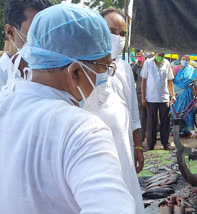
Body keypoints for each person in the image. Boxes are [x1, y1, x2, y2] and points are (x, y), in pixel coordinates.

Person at [0, 4, 135, 213]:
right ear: (75, 73)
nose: (104, 79)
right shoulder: (81, 129)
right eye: (104, 68)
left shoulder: (4, 107)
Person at [100, 8, 144, 174]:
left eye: (122, 34)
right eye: (112, 31)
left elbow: (133, 111)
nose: (118, 38)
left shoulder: (125, 68)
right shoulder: (84, 67)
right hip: (98, 147)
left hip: (124, 145)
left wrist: (137, 145)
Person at [0, 0, 53, 93]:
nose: (43, 40)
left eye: (47, 32)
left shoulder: (56, 74)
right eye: (35, 32)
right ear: (10, 32)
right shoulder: (2, 75)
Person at [141, 53, 175, 150]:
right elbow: (143, 80)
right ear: (154, 54)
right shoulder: (148, 63)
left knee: (165, 121)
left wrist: (172, 94)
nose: (161, 56)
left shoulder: (167, 63)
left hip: (164, 97)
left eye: (162, 54)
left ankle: (165, 143)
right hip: (151, 98)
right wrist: (143, 97)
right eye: (159, 54)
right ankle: (150, 144)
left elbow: (170, 80)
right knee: (151, 122)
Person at [171, 55, 197, 135]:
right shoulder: (175, 68)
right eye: (183, 59)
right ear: (180, 60)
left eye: (187, 60)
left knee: (188, 110)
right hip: (177, 93)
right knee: (177, 111)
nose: (185, 61)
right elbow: (170, 81)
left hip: (188, 92)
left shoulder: (191, 69)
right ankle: (175, 130)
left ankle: (187, 130)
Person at [132, 49, 147, 144]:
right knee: (141, 117)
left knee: (150, 117)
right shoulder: (134, 67)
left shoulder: (149, 65)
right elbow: (133, 80)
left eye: (140, 54)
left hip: (150, 94)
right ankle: (141, 139)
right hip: (139, 94)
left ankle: (150, 137)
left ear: (144, 54)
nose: (139, 57)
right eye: (137, 55)